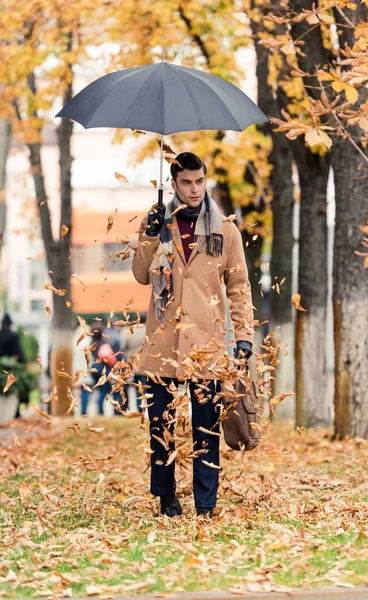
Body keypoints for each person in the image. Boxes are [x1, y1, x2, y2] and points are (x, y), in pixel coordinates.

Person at [132, 152, 254, 518]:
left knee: (206, 428)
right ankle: (166, 496)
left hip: (207, 344)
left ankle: (206, 503)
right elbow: (141, 275)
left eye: (200, 181)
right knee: (161, 424)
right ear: (174, 183)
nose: (195, 189)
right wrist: (151, 236)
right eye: (186, 182)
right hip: (163, 342)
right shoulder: (156, 223)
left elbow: (239, 286)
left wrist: (243, 335)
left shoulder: (225, 230)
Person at [0, 313, 26, 417]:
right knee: (13, 390)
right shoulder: (13, 336)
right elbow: (20, 355)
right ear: (10, 324)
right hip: (10, 369)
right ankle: (15, 413)